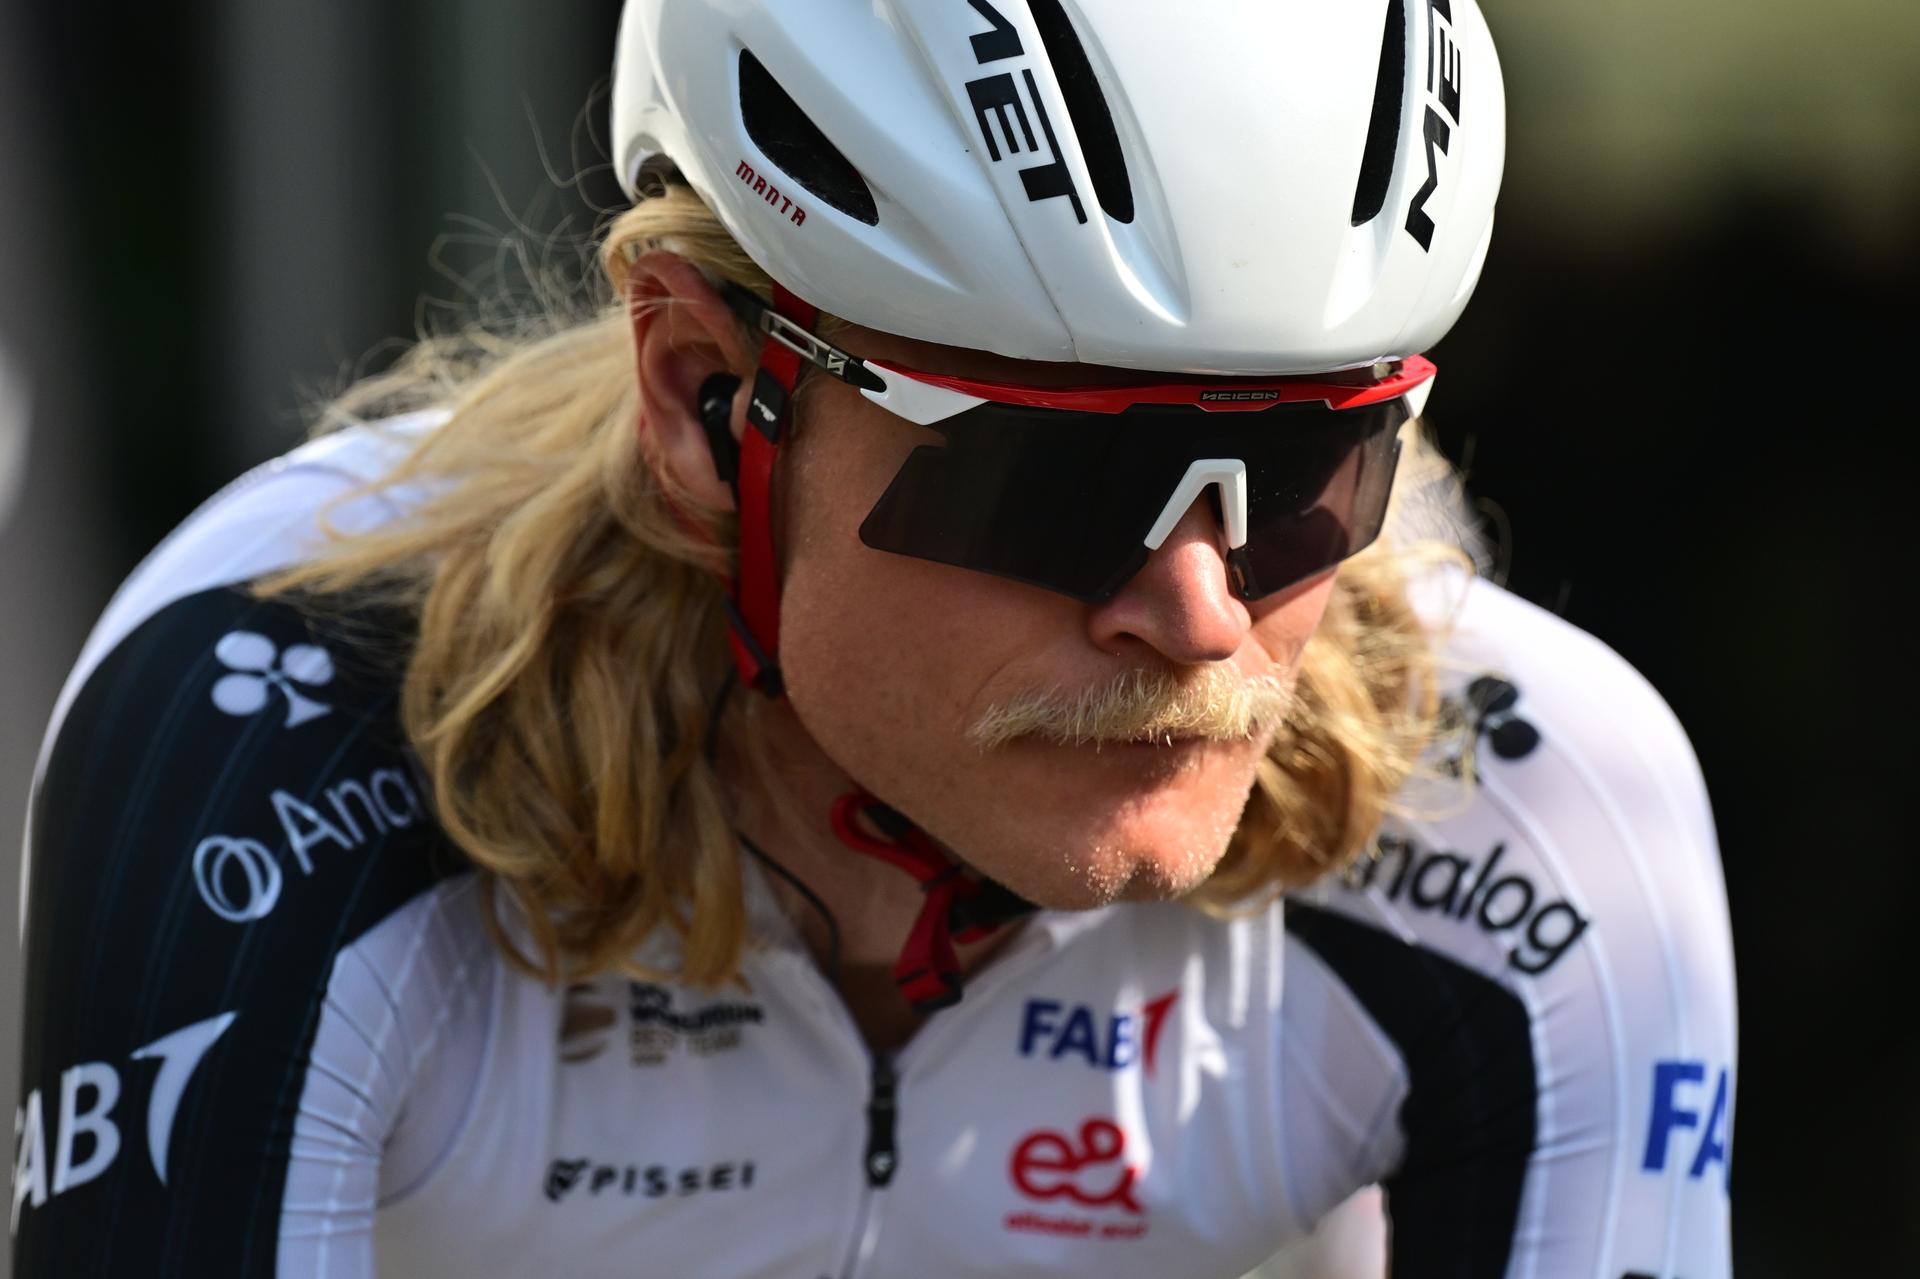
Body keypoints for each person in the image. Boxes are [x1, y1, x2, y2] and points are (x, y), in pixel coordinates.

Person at [10, 2, 1737, 1276]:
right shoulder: (275, 721)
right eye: (1055, 476)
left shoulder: (1534, 800)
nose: (1199, 608)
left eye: (1307, 470)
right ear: (702, 399)